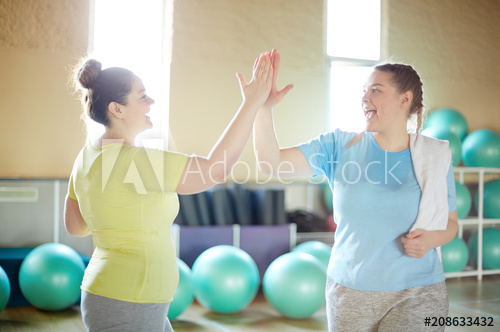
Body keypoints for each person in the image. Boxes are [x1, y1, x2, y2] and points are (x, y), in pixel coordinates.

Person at [64, 53, 273, 331]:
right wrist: (251, 104)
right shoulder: (134, 162)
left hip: (120, 296)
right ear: (117, 108)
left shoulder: (85, 156)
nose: (151, 102)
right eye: (142, 96)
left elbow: (76, 227)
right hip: (129, 301)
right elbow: (214, 170)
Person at [253, 50, 458, 331]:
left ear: (405, 98)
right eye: (363, 91)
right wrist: (262, 108)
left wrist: (431, 239)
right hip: (350, 291)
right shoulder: (338, 145)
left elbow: (451, 224)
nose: (365, 98)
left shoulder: (435, 156)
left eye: (375, 90)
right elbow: (270, 163)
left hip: (419, 291)